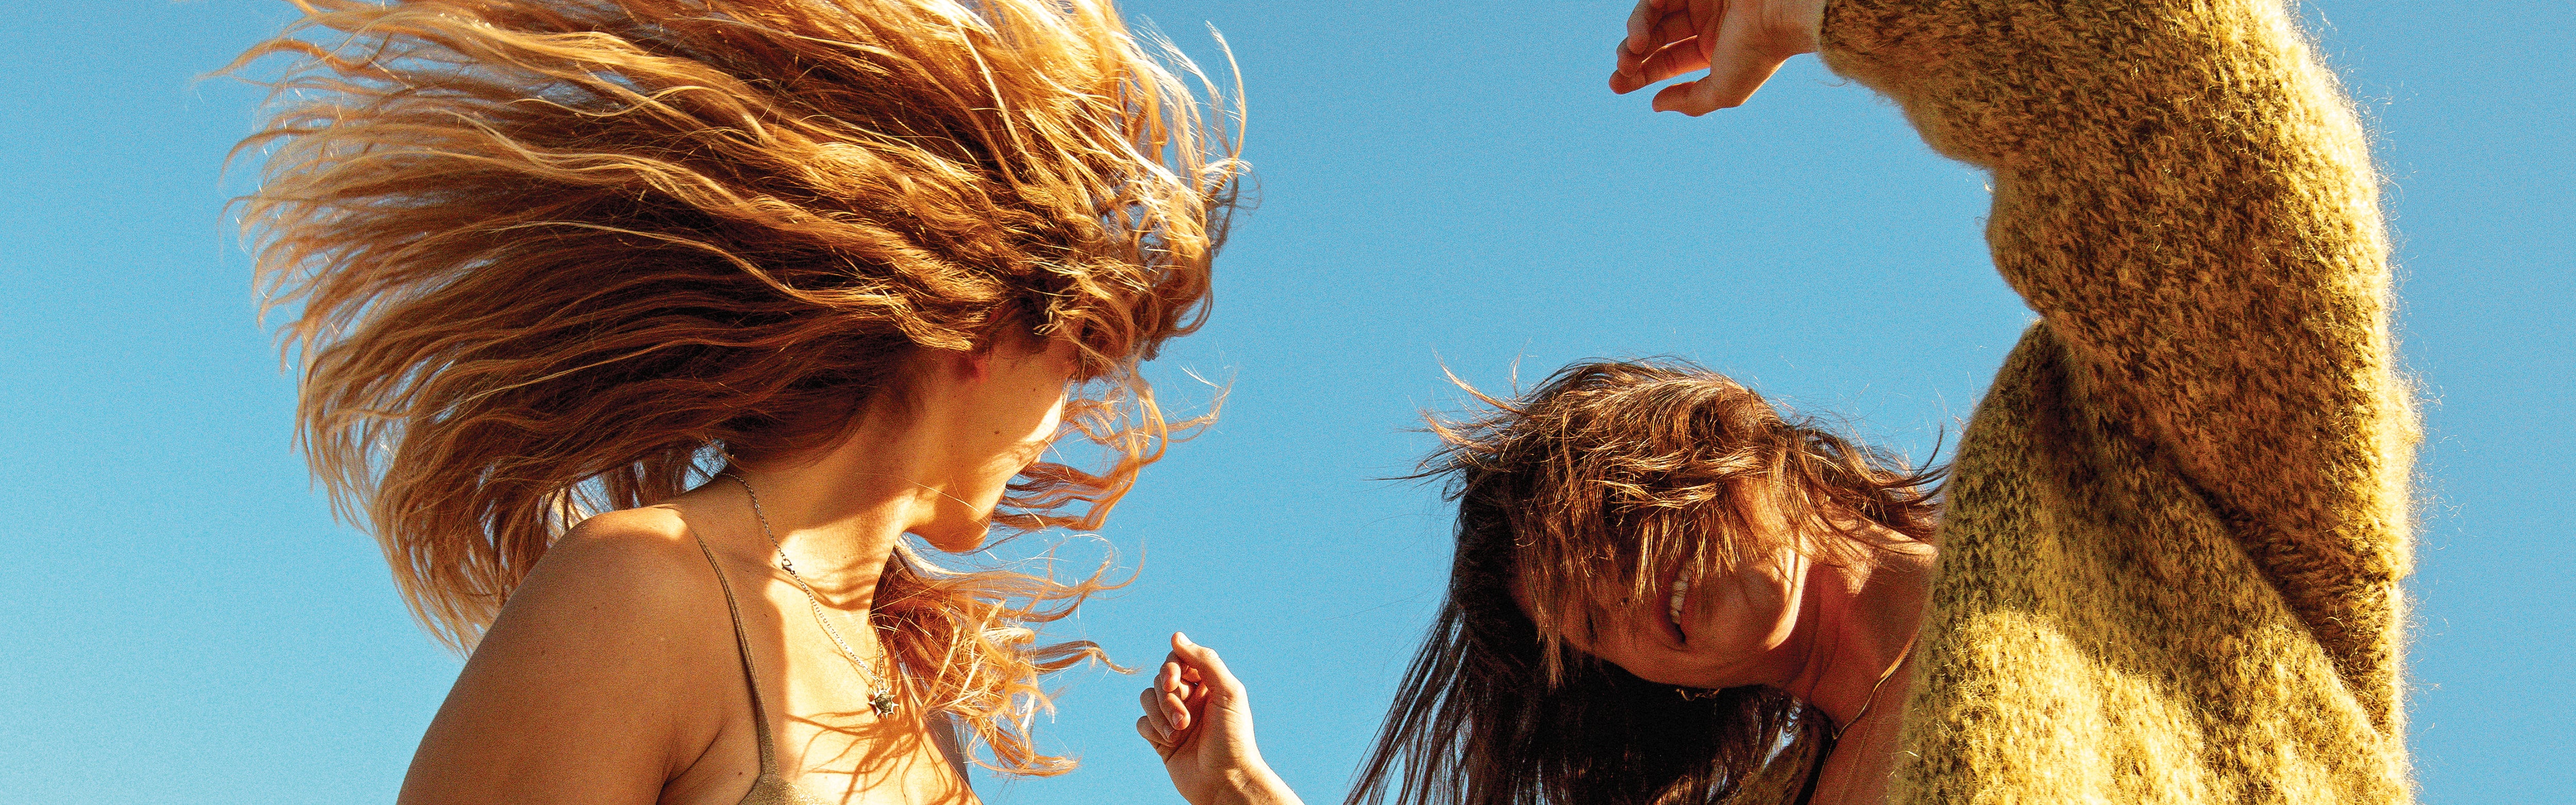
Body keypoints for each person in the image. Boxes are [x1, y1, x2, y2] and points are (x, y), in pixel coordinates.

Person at [1139, 0, 2417, 801]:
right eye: (1590, 628)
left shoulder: (2122, 497)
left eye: (1613, 530)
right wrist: (1242, 792)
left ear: (1741, 447)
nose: (1627, 603)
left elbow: (2212, 144)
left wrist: (1818, 8)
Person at [230, 1, 1242, 802]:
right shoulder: (640, 593)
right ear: (981, 332)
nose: (1058, 427)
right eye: (1073, 366)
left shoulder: (923, 712)